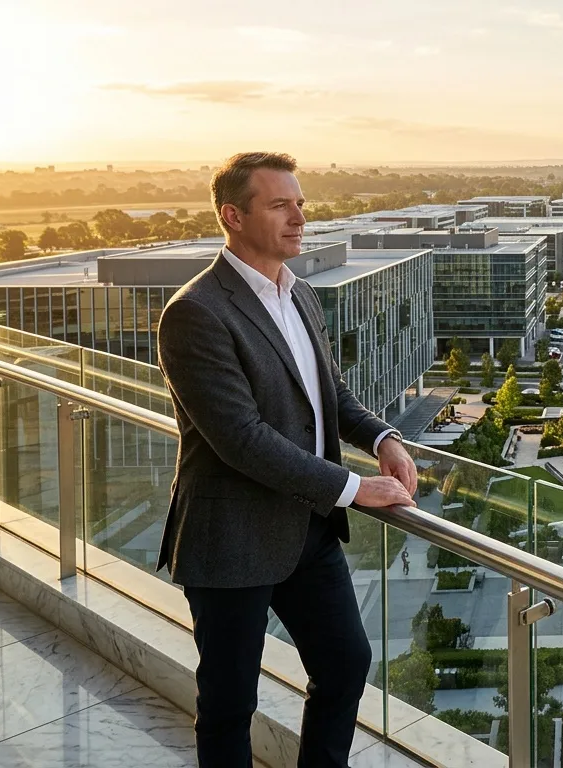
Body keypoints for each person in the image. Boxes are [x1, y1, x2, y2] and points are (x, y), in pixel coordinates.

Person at [156, 152, 417, 767]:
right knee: (228, 704)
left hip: (306, 532)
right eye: (280, 205)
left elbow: (329, 393)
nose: (300, 216)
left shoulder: (298, 295)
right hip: (231, 536)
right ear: (233, 215)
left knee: (346, 664)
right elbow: (241, 437)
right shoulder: (195, 312)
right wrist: (354, 487)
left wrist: (382, 439)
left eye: (300, 203)